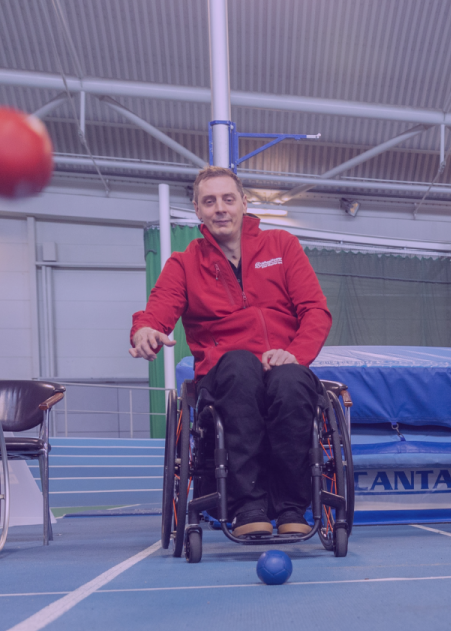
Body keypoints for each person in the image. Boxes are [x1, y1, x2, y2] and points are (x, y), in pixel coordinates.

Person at [131, 167, 332, 538]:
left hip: (282, 362)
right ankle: (247, 506)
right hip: (226, 374)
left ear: (243, 203)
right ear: (197, 210)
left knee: (291, 382)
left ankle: (292, 506)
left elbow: (315, 311)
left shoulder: (282, 246)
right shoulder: (183, 264)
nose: (220, 208)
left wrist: (296, 353)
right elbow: (158, 310)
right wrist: (146, 328)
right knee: (239, 365)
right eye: (209, 201)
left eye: (227, 199)